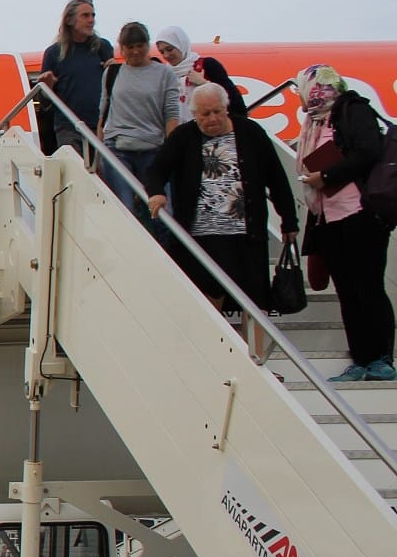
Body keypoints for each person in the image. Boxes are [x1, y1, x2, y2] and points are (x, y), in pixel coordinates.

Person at [145, 82, 297, 360]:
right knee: (206, 297)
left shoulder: (250, 132)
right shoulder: (183, 137)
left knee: (254, 301)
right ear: (194, 114)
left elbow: (276, 178)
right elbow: (157, 170)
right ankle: (209, 359)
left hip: (246, 233)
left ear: (226, 109)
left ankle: (255, 360)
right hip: (201, 236)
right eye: (204, 114)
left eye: (217, 112)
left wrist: (289, 222)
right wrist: (156, 194)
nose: (211, 119)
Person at [297, 64, 395, 381]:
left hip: (360, 213)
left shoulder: (353, 109)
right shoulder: (312, 121)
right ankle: (361, 358)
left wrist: (325, 175)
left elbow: (368, 151)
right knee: (347, 292)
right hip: (328, 217)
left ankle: (381, 358)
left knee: (368, 287)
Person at [99, 20, 179, 228]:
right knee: (125, 209)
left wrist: (170, 153)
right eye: (129, 47)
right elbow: (104, 110)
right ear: (122, 48)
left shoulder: (164, 73)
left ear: (147, 44)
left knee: (162, 214)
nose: (135, 51)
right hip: (118, 147)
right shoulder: (112, 73)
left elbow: (171, 114)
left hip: (153, 148)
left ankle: (162, 255)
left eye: (139, 45)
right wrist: (97, 150)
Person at [38, 0, 114, 155]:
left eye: (93, 15)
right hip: (68, 126)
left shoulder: (103, 47)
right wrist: (48, 87)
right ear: (70, 20)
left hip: (100, 125)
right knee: (77, 172)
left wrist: (114, 70)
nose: (91, 20)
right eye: (85, 16)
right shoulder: (53, 53)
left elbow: (113, 88)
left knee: (101, 176)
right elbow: (43, 103)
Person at [155, 25, 247, 123]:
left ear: (181, 44)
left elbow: (237, 105)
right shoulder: (165, 75)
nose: (166, 55)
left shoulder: (207, 65)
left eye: (170, 49)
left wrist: (205, 84)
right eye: (162, 52)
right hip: (179, 135)